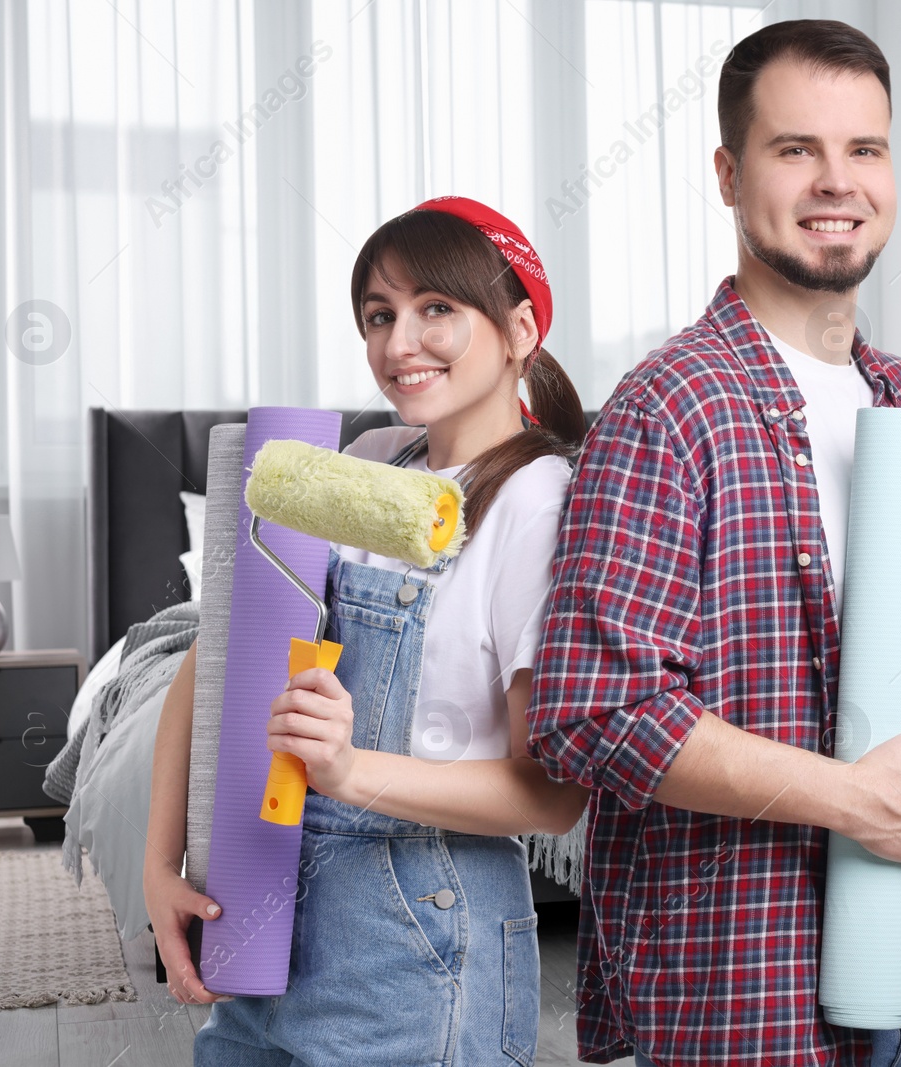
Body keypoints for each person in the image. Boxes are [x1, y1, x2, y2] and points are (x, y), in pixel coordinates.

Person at [526, 20, 901, 1067]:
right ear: (730, 174)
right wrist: (851, 798)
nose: (839, 181)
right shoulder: (668, 407)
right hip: (743, 980)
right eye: (796, 150)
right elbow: (592, 714)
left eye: (864, 150)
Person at [142, 197, 590, 1065]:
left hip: (424, 932)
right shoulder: (375, 462)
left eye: (436, 309)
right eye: (379, 316)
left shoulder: (540, 502)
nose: (397, 343)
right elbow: (217, 656)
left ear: (519, 327)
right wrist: (161, 864)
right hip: (275, 907)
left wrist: (347, 770)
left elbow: (552, 796)